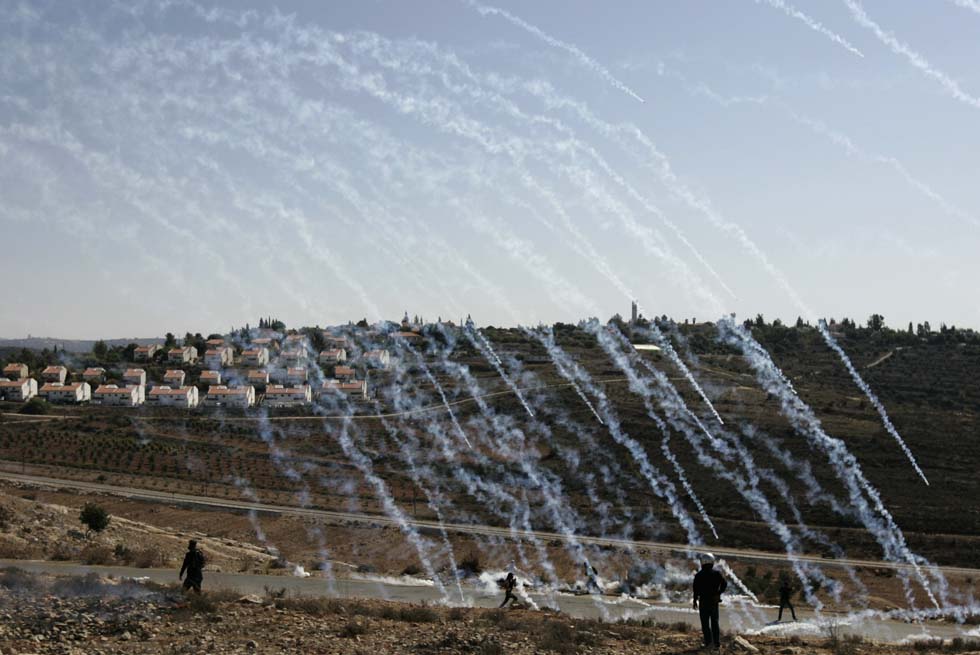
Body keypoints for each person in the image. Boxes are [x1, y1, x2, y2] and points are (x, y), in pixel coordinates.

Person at [692, 553, 727, 649]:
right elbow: (724, 584)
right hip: (713, 602)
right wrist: (718, 593)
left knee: (705, 624)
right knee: (715, 622)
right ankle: (716, 644)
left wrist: (695, 600)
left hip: (703, 602)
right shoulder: (717, 574)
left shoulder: (699, 575)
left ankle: (708, 643)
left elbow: (695, 589)